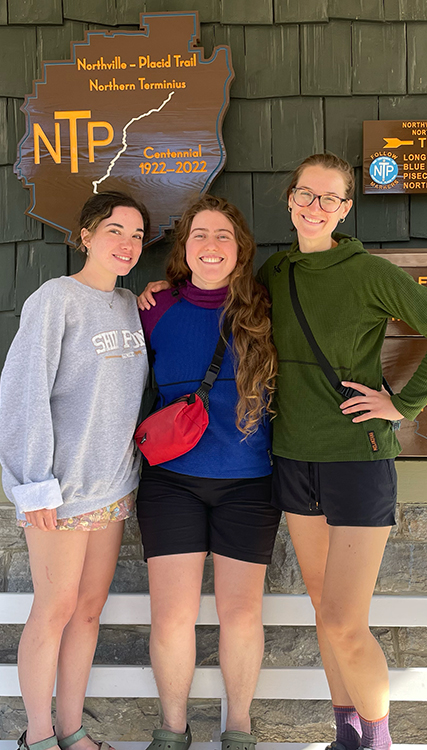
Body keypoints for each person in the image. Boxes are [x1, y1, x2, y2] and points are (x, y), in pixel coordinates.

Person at [140, 154, 427, 750]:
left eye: (328, 198)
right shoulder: (275, 272)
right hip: (291, 460)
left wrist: (402, 402)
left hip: (355, 458)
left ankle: (377, 740)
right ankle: (347, 733)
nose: (314, 207)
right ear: (290, 200)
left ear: (346, 208)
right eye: (305, 195)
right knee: (326, 610)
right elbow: (215, 291)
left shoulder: (367, 272)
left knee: (346, 621)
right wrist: (168, 287)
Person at [0, 192, 150, 750]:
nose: (127, 244)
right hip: (58, 491)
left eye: (137, 236)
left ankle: (72, 732)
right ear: (85, 235)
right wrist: (32, 482)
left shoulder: (132, 305)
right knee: (55, 609)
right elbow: (23, 392)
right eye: (115, 231)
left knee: (87, 612)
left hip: (113, 486)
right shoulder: (55, 299)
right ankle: (38, 737)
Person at [135, 194, 280, 750]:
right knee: (172, 618)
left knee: (241, 616)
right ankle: (172, 732)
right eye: (200, 235)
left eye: (223, 235)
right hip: (172, 482)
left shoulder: (266, 309)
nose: (211, 245)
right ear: (184, 247)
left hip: (250, 482)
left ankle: (237, 731)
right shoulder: (154, 307)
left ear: (240, 248)